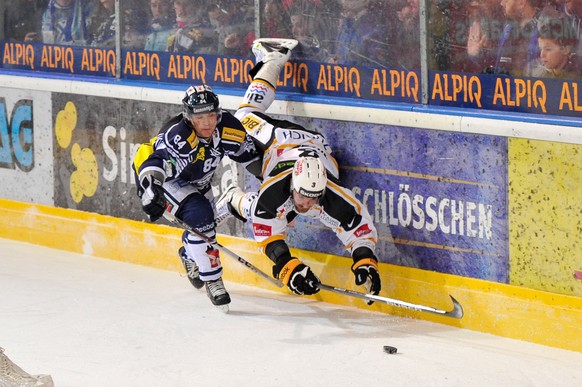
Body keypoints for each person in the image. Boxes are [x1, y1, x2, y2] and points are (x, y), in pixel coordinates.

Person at [215, 38, 381, 301]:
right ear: (293, 185)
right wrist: (287, 267)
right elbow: (267, 232)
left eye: (313, 197)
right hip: (276, 142)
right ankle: (271, 60)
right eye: (303, 195)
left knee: (286, 213)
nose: (306, 203)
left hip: (312, 143)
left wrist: (365, 260)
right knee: (242, 116)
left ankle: (238, 201)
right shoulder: (274, 193)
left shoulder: (332, 194)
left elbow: (358, 227)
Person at [131, 85, 261, 308]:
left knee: (204, 225)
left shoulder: (228, 127)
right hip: (165, 181)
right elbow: (159, 161)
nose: (208, 123)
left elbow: (253, 159)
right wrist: (151, 186)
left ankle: (190, 255)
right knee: (200, 216)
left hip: (198, 182)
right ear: (189, 117)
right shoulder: (179, 136)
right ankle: (213, 281)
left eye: (211, 115)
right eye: (200, 117)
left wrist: (273, 184)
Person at [532, 7, 582, 78]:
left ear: (566, 49)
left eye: (548, 49)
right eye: (541, 49)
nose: (542, 55)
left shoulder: (577, 77)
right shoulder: (539, 75)